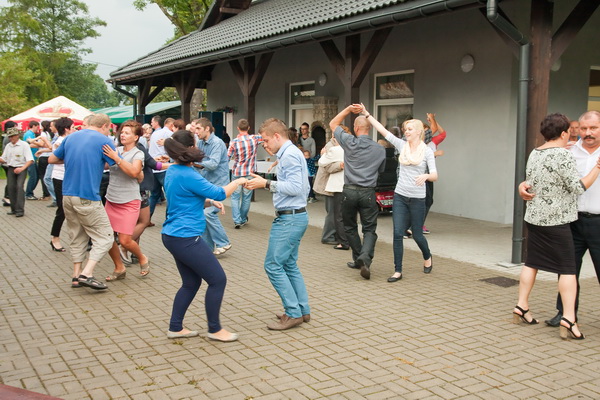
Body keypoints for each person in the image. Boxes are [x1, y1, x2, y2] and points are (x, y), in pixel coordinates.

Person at [514, 113, 600, 341]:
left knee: (539, 264)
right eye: (582, 128)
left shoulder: (539, 151)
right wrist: (523, 186)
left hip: (592, 220)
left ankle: (525, 307)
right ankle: (566, 316)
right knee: (568, 270)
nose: (587, 133)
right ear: (568, 132)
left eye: (593, 128)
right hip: (569, 221)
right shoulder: (568, 151)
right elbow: (567, 184)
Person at [161, 129, 247, 341]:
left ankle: (175, 327)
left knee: (191, 283)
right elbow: (220, 192)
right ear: (190, 148)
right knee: (218, 279)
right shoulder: (188, 174)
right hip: (185, 237)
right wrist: (238, 181)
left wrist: (208, 202)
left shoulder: (173, 170)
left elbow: (184, 198)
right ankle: (215, 329)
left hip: (173, 235)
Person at [245, 118, 311, 331]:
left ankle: (293, 313)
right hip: (295, 216)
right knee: (289, 265)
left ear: (276, 136)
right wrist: (265, 182)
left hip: (289, 218)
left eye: (265, 140)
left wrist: (265, 183)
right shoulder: (290, 153)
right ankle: (302, 309)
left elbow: (295, 187)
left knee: (273, 265)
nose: (264, 145)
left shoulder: (289, 155)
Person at [360, 105, 437, 281]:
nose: (406, 132)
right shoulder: (402, 146)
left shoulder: (426, 151)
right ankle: (398, 271)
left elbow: (435, 175)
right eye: (405, 129)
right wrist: (367, 114)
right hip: (400, 196)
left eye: (409, 129)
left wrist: (426, 176)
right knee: (397, 233)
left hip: (417, 198)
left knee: (417, 234)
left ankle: (427, 256)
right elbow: (383, 131)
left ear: (418, 132)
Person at [49, 113, 118, 290]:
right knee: (106, 237)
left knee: (77, 235)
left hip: (67, 195)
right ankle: (87, 274)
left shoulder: (71, 138)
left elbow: (52, 159)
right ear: (105, 126)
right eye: (109, 128)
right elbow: (114, 163)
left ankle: (75, 275)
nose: (109, 131)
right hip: (87, 196)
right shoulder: (104, 141)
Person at [329, 105, 386, 280]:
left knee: (350, 227)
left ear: (355, 128)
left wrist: (348, 110)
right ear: (369, 129)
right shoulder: (380, 149)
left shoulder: (349, 141)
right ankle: (363, 258)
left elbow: (333, 124)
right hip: (368, 192)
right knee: (369, 229)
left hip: (349, 191)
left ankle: (360, 258)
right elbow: (381, 170)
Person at [102, 120, 150, 281]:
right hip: (111, 199)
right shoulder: (116, 150)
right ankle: (119, 267)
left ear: (136, 137)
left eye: (127, 133)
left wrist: (117, 158)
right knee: (108, 238)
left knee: (125, 240)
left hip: (129, 201)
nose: (123, 135)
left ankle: (142, 257)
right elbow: (106, 166)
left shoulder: (138, 154)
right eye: (122, 132)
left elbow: (134, 172)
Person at [193, 118, 232, 255]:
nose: (196, 132)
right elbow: (197, 159)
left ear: (207, 129)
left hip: (219, 184)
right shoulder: (200, 142)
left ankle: (224, 242)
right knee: (202, 215)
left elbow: (213, 164)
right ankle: (207, 249)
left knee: (208, 213)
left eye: (198, 129)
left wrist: (195, 164)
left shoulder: (217, 143)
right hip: (207, 183)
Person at [227, 118, 263, 229]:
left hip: (237, 172)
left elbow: (227, 157)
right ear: (248, 128)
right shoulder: (254, 138)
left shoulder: (234, 142)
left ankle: (237, 220)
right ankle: (243, 219)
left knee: (235, 197)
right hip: (250, 173)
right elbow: (264, 137)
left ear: (238, 128)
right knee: (246, 197)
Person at [314, 137, 348, 249]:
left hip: (336, 185)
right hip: (329, 185)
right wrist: (340, 165)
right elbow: (326, 166)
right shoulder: (330, 147)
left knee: (336, 212)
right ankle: (328, 236)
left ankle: (337, 235)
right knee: (332, 212)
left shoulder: (339, 146)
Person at [49, 118, 75, 255]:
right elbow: (55, 159)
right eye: (73, 127)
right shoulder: (60, 142)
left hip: (70, 178)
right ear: (66, 129)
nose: (75, 129)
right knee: (62, 209)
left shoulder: (69, 140)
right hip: (60, 178)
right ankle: (55, 237)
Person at [0, 127, 34, 217]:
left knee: (19, 187)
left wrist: (22, 169)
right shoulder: (8, 146)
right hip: (11, 168)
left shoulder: (24, 145)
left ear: (17, 135)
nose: (11, 138)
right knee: (11, 187)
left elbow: (30, 160)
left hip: (21, 168)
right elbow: (4, 158)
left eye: (12, 136)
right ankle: (13, 208)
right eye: (9, 137)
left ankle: (20, 210)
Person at [148, 115, 173, 226]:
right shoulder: (167, 133)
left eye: (152, 122)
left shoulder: (154, 134)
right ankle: (168, 220)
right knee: (169, 195)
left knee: (154, 195)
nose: (151, 124)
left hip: (154, 168)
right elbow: (177, 143)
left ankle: (146, 219)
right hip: (164, 167)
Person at [23, 121, 41, 200]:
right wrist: (40, 145)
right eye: (37, 126)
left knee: (36, 176)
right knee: (33, 176)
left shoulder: (32, 134)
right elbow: (29, 144)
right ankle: (28, 193)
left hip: (34, 157)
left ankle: (30, 192)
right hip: (30, 158)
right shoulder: (29, 134)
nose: (38, 128)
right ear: (33, 126)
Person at [2, 121, 18, 206]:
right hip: (7, 163)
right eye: (15, 126)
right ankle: (7, 196)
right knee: (11, 181)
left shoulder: (6, 137)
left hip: (8, 162)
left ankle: (8, 197)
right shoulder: (8, 138)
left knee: (11, 180)